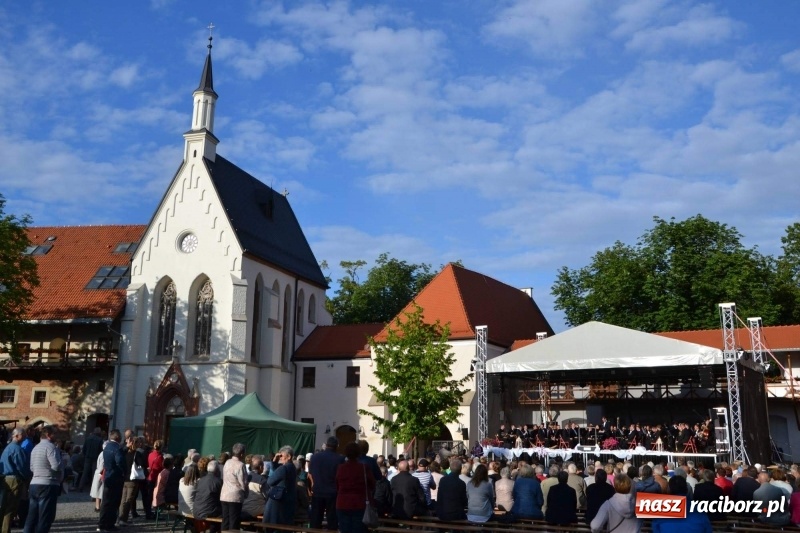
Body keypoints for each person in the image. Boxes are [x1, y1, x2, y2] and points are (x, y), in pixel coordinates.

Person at [22, 425, 61, 533]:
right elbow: (56, 466)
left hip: (34, 483)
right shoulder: (51, 447)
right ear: (48, 435)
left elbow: (31, 467)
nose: (56, 436)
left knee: (31, 517)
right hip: (47, 483)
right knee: (44, 517)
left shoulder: (35, 448)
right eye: (54, 434)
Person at [335, 441, 375, 533]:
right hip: (359, 503)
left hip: (342, 503)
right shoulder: (364, 468)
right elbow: (372, 484)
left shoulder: (341, 468)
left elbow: (337, 484)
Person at [308, 436, 344, 530]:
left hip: (318, 491)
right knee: (332, 521)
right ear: (337, 446)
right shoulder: (340, 459)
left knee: (315, 520)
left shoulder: (315, 457)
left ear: (326, 444)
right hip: (332, 493)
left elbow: (310, 474)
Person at [0, 428, 31, 533]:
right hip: (14, 480)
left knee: (4, 507)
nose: (26, 436)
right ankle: (5, 530)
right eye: (24, 435)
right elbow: (22, 467)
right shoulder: (17, 449)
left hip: (5, 478)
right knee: (11, 508)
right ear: (18, 436)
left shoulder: (8, 447)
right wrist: (27, 478)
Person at [97, 429, 126, 533]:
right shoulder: (117, 448)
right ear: (118, 437)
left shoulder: (107, 447)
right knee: (114, 502)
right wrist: (123, 472)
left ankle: (102, 523)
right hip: (116, 477)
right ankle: (109, 524)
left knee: (105, 502)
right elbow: (120, 462)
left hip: (108, 475)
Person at [263, 445, 297, 528]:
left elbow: (270, 481)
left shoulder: (284, 469)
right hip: (287, 501)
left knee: (272, 525)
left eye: (282, 455)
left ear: (288, 457)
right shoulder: (292, 468)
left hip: (277, 501)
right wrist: (275, 462)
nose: (280, 457)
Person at [221, 443, 248, 531]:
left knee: (225, 520)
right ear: (241, 454)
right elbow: (243, 482)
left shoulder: (227, 462)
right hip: (235, 496)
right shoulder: (241, 465)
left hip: (224, 495)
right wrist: (246, 493)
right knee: (234, 522)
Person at [117, 435, 140, 526]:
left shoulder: (125, 453)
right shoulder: (137, 454)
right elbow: (141, 465)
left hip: (124, 478)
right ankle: (123, 519)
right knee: (129, 499)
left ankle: (120, 517)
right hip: (132, 479)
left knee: (123, 499)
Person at [145, 440, 164, 520]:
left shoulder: (150, 454)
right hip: (156, 477)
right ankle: (153, 513)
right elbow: (161, 467)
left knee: (148, 496)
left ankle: (148, 512)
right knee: (156, 495)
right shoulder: (160, 457)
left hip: (149, 476)